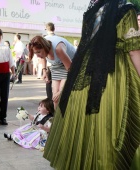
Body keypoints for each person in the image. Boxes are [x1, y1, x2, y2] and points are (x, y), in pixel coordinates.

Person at [43, 0, 140, 170]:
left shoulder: (92, 11)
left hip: (87, 71)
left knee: (88, 124)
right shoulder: (126, 9)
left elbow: (86, 45)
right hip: (116, 71)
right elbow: (133, 50)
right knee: (113, 122)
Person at [28, 35, 76, 108]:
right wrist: (44, 71)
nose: (37, 55)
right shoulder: (43, 46)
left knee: (61, 95)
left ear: (45, 47)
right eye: (35, 53)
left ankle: (66, 117)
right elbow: (43, 57)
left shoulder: (58, 49)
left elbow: (71, 71)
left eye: (38, 52)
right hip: (56, 66)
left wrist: (62, 91)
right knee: (55, 99)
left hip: (70, 64)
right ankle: (57, 118)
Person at [44, 22, 55, 99]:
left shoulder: (44, 39)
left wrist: (44, 71)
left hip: (49, 66)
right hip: (58, 65)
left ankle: (49, 101)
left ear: (46, 29)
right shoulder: (58, 38)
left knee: (48, 84)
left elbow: (42, 57)